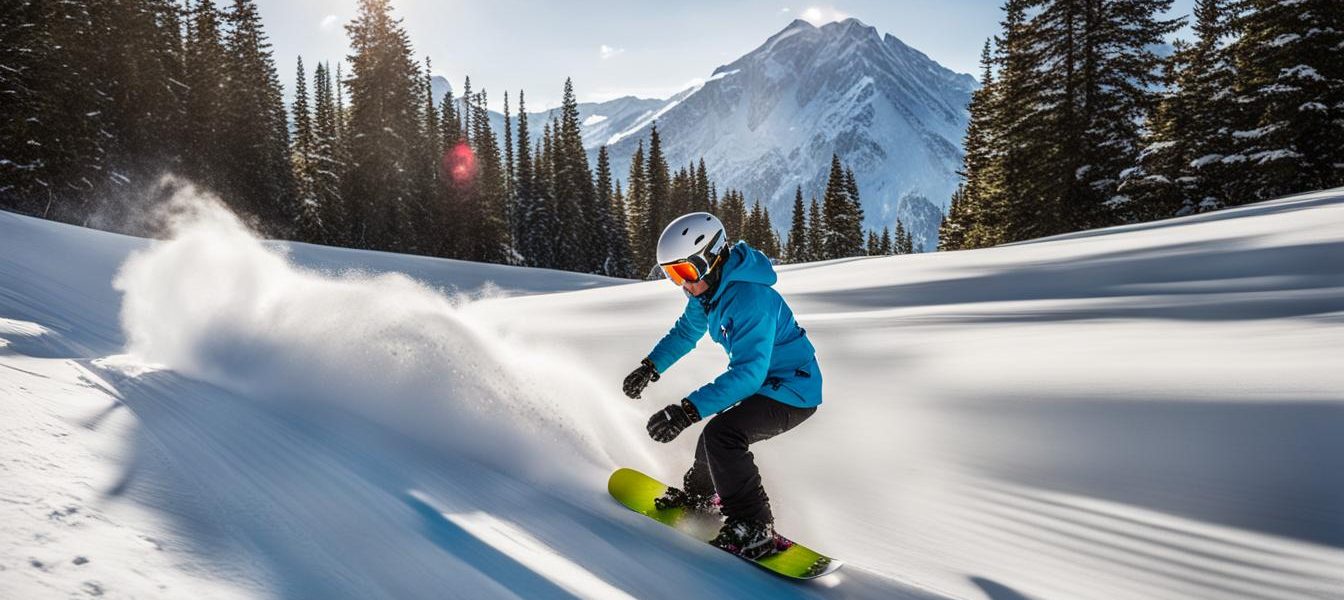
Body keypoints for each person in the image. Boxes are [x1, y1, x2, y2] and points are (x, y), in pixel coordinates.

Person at [623, 212, 822, 560]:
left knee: (723, 436)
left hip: (794, 390)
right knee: (714, 439)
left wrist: (686, 411)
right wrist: (650, 367)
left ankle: (755, 525)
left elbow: (748, 375)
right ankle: (702, 496)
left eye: (685, 272)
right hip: (768, 383)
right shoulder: (708, 292)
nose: (682, 284)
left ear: (712, 257)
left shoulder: (750, 300)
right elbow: (687, 332)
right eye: (672, 275)